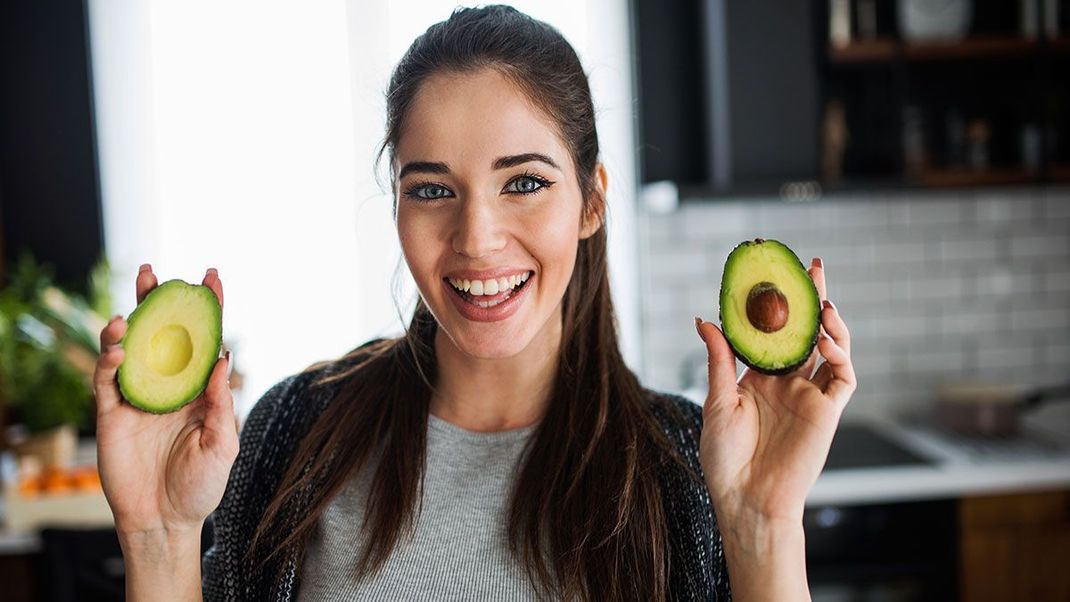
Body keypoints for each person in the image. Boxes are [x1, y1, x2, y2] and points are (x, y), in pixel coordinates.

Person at [93, 6, 856, 601]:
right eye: (432, 190)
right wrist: (160, 537)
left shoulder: (686, 463)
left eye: (523, 182)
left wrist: (760, 523)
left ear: (592, 202)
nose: (476, 239)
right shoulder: (297, 432)